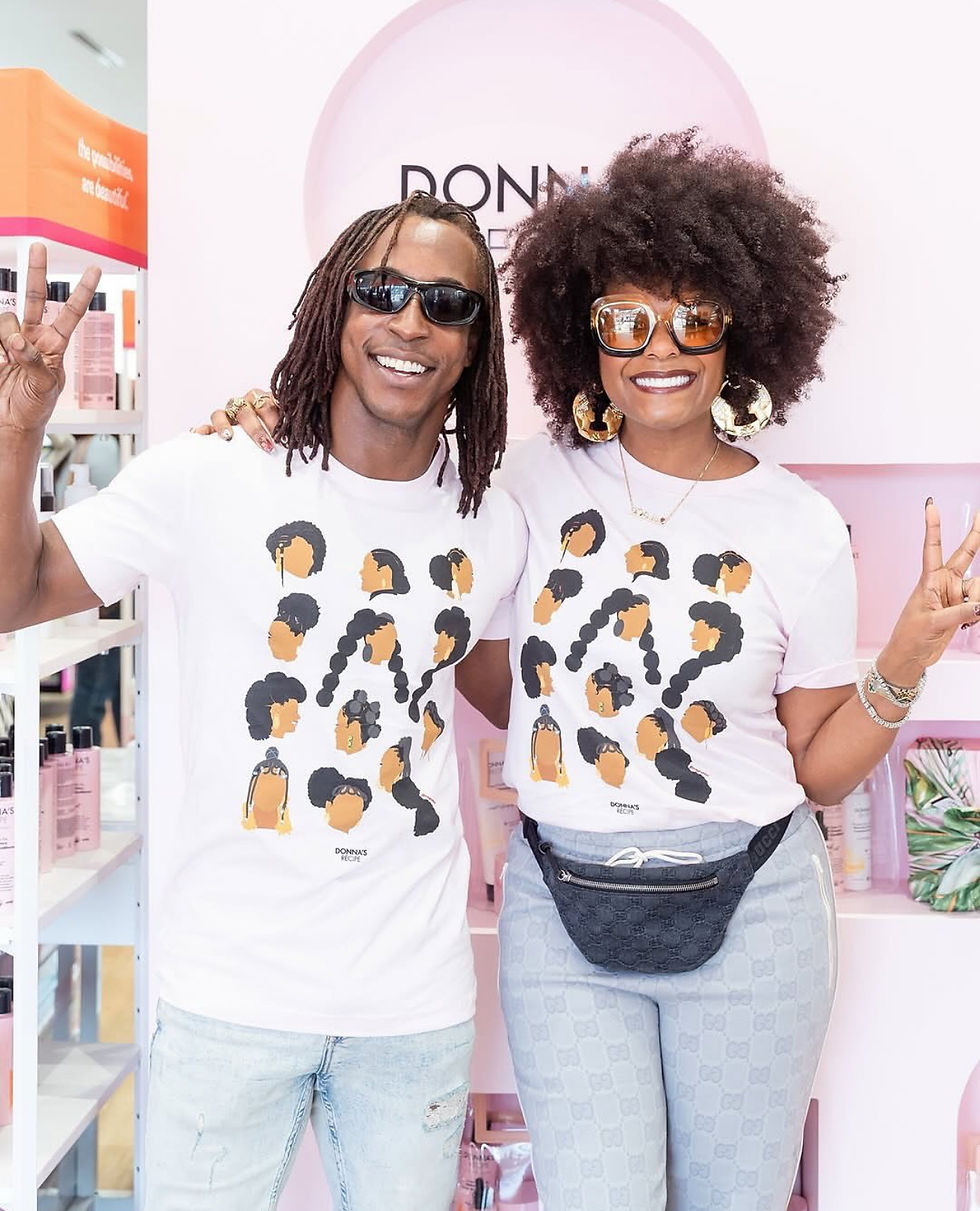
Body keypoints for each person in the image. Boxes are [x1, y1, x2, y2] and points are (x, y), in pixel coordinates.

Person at [215, 131, 980, 1211]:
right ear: (585, 333)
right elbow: (461, 630)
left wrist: (904, 657)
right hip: (560, 910)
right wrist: (265, 425)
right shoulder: (516, 485)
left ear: (741, 331)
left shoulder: (799, 525)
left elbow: (815, 768)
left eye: (692, 319)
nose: (657, 349)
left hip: (754, 910)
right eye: (625, 320)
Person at [0, 189, 526, 1211]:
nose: (410, 321)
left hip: (412, 1007)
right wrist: (20, 428)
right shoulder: (208, 477)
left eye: (446, 304)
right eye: (382, 290)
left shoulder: (492, 519)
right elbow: (13, 594)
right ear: (336, 303)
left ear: (475, 346)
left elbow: (510, 698)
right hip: (228, 998)